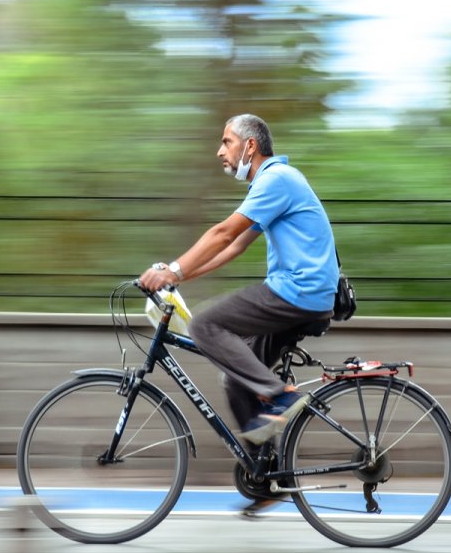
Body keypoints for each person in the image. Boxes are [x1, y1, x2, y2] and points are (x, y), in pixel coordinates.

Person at [139, 113, 338, 446]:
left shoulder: (277, 179)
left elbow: (223, 232)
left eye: (226, 141)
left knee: (204, 325)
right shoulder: (272, 183)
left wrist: (173, 269)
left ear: (250, 146)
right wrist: (180, 278)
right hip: (308, 294)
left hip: (298, 290)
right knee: (237, 379)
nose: (220, 151)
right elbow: (235, 246)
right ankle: (264, 476)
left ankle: (280, 396)